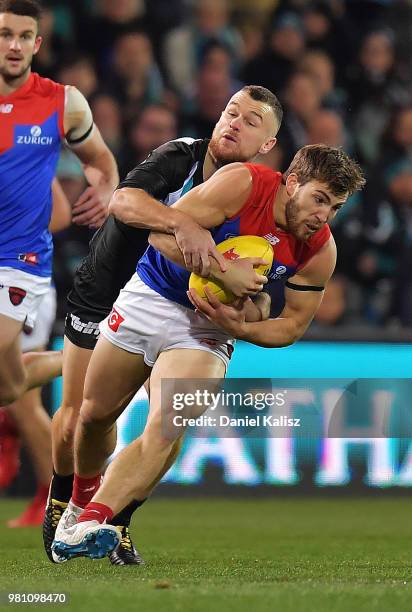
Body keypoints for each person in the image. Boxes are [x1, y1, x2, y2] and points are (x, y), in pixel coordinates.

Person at [51, 144, 365, 562]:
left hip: (210, 330)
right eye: (319, 200)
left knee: (169, 422)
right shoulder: (243, 184)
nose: (323, 216)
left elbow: (290, 327)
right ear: (291, 184)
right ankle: (79, 502)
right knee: (94, 416)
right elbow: (161, 234)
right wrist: (220, 270)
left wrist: (242, 327)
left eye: (335, 207)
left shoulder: (320, 250)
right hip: (153, 296)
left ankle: (93, 520)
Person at [45, 84, 283, 565]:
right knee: (80, 419)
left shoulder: (258, 195)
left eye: (250, 120)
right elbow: (123, 203)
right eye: (230, 112)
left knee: (167, 424)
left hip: (182, 309)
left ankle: (114, 522)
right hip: (108, 287)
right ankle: (65, 496)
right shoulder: (180, 158)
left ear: (267, 146)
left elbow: (264, 282)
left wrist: (250, 306)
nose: (234, 122)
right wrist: (184, 224)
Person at [0, 0, 117, 506]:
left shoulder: (61, 102)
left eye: (24, 36)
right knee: (7, 390)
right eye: (5, 34)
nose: (14, 45)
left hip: (19, 258)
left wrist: (105, 187)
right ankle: (74, 358)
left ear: (37, 44)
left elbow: (101, 161)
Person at [2, 179, 72, 528]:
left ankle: (54, 500)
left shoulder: (27, 149)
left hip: (21, 280)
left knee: (23, 402)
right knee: (13, 393)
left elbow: (59, 214)